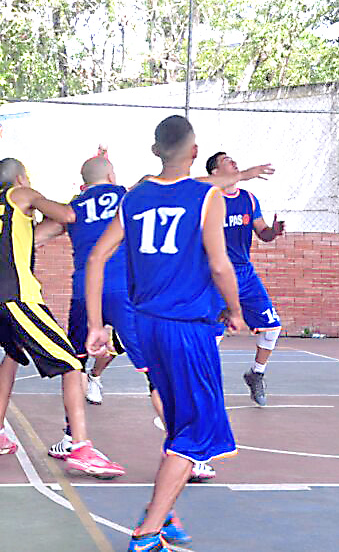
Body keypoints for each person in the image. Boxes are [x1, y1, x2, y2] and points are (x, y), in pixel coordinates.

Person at [84, 116, 245, 552]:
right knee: (196, 433)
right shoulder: (206, 196)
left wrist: (97, 325)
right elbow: (218, 264)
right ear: (194, 151)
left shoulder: (133, 198)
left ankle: (164, 512)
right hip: (186, 329)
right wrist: (235, 310)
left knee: (178, 424)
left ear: (156, 150)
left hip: (147, 324)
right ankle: (148, 533)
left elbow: (97, 257)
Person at [0, 157, 124, 479]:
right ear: (22, 178)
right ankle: (80, 446)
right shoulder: (22, 194)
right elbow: (67, 214)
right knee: (72, 362)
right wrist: (89, 202)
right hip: (16, 296)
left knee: (12, 354)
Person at [204, 151, 286, 406]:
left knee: (272, 327)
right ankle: (205, 388)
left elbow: (263, 233)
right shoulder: (207, 198)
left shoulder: (249, 199)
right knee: (212, 335)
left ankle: (256, 374)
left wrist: (274, 231)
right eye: (226, 160)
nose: (233, 161)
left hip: (245, 274)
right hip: (214, 274)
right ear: (215, 172)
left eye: (233, 159)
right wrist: (246, 174)